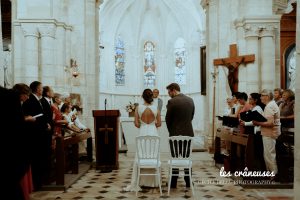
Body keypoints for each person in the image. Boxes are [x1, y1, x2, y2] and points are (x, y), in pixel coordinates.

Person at [124, 89, 161, 192]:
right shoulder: (156, 108)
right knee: (153, 155)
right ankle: (153, 182)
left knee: (141, 155)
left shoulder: (138, 108)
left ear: (142, 97)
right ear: (151, 97)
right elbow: (159, 124)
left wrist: (143, 125)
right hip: (153, 133)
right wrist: (152, 125)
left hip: (142, 132)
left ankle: (140, 181)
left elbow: (136, 124)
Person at [1, 84, 34, 200]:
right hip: (13, 146)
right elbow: (16, 123)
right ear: (22, 93)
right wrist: (27, 119)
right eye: (27, 95)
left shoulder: (8, 97)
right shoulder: (12, 100)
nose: (28, 98)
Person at [22, 81, 51, 190]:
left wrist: (46, 123)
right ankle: (37, 183)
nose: (42, 89)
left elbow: (40, 116)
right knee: (37, 160)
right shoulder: (30, 101)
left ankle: (40, 182)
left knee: (40, 159)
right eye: (41, 88)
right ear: (37, 89)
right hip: (35, 135)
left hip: (40, 133)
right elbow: (30, 116)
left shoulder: (37, 100)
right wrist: (43, 125)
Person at [165, 83, 194, 188]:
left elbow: (167, 120)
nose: (168, 95)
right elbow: (191, 116)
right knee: (187, 158)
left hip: (175, 134)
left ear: (173, 90)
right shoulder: (190, 100)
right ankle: (188, 181)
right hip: (188, 133)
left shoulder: (172, 102)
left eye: (169, 92)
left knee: (175, 157)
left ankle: (173, 182)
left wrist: (172, 131)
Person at [253, 89, 281, 180]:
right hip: (269, 133)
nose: (260, 97)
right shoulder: (271, 105)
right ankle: (270, 174)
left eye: (262, 95)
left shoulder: (269, 106)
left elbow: (270, 123)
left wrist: (258, 123)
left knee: (269, 154)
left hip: (270, 133)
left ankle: (273, 174)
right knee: (268, 154)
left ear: (267, 96)